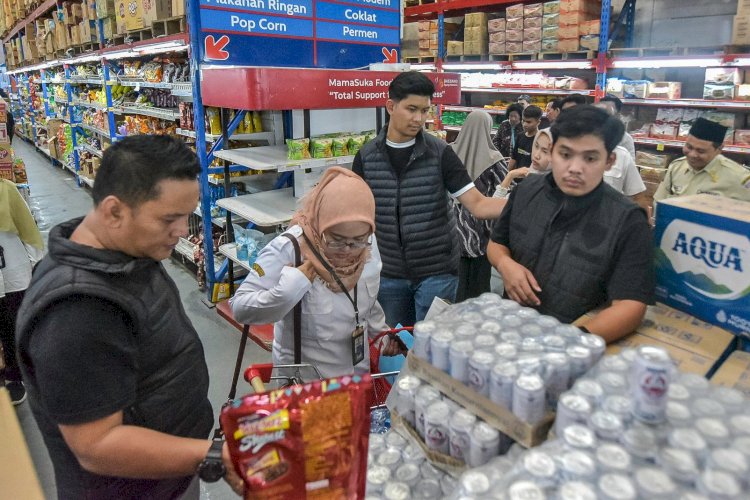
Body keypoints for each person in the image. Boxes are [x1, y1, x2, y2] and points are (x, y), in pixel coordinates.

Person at [15, 136, 243, 499]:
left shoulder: (123, 250)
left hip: (167, 477)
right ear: (113, 211)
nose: (183, 231)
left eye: (187, 215)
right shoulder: (77, 312)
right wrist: (213, 455)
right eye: (170, 218)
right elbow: (97, 445)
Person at [487, 105, 654, 343]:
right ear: (553, 151)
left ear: (609, 161)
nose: (575, 168)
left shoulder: (627, 221)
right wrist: (505, 264)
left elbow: (631, 306)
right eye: (565, 154)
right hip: (511, 330)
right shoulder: (526, 192)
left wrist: (573, 342)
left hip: (576, 345)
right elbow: (496, 244)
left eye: (590, 158)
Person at [352, 71, 507, 326]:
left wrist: (527, 203)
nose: (419, 119)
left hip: (438, 272)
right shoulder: (367, 156)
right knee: (394, 344)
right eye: (412, 109)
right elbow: (353, 211)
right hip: (388, 273)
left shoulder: (440, 153)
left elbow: (478, 205)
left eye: (425, 111)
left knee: (431, 348)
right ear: (390, 106)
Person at [230, 167, 400, 378]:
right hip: (307, 386)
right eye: (336, 240)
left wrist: (382, 336)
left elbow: (368, 302)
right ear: (320, 224)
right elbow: (240, 308)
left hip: (357, 378)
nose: (348, 250)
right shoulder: (291, 248)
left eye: (357, 241)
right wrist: (288, 291)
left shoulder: (367, 245)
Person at [449, 110, 509, 301]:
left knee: (455, 281)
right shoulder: (495, 159)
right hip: (480, 228)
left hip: (452, 225)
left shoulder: (448, 152)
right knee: (479, 283)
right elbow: (503, 189)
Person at [0, 178, 43, 405]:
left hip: (12, 269)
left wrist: (32, 261)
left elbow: (27, 228)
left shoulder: (7, 190)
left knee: (12, 321)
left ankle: (14, 375)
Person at [654, 117, 750, 203]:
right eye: (689, 147)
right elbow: (659, 201)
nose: (692, 154)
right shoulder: (676, 167)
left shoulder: (739, 177)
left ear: (719, 149)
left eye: (700, 151)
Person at [493, 128, 553, 199]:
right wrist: (511, 175)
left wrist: (509, 176)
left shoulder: (544, 190)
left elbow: (494, 206)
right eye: (536, 146)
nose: (536, 155)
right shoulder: (531, 178)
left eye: (545, 151)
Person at [598, 94, 636, 160]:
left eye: (608, 112)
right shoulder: (589, 134)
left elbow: (630, 164)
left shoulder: (625, 139)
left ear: (618, 115)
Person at [508, 105, 542, 170]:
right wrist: (506, 175)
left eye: (529, 122)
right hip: (517, 177)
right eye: (523, 121)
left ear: (538, 122)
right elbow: (513, 158)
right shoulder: (520, 136)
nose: (524, 125)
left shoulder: (541, 139)